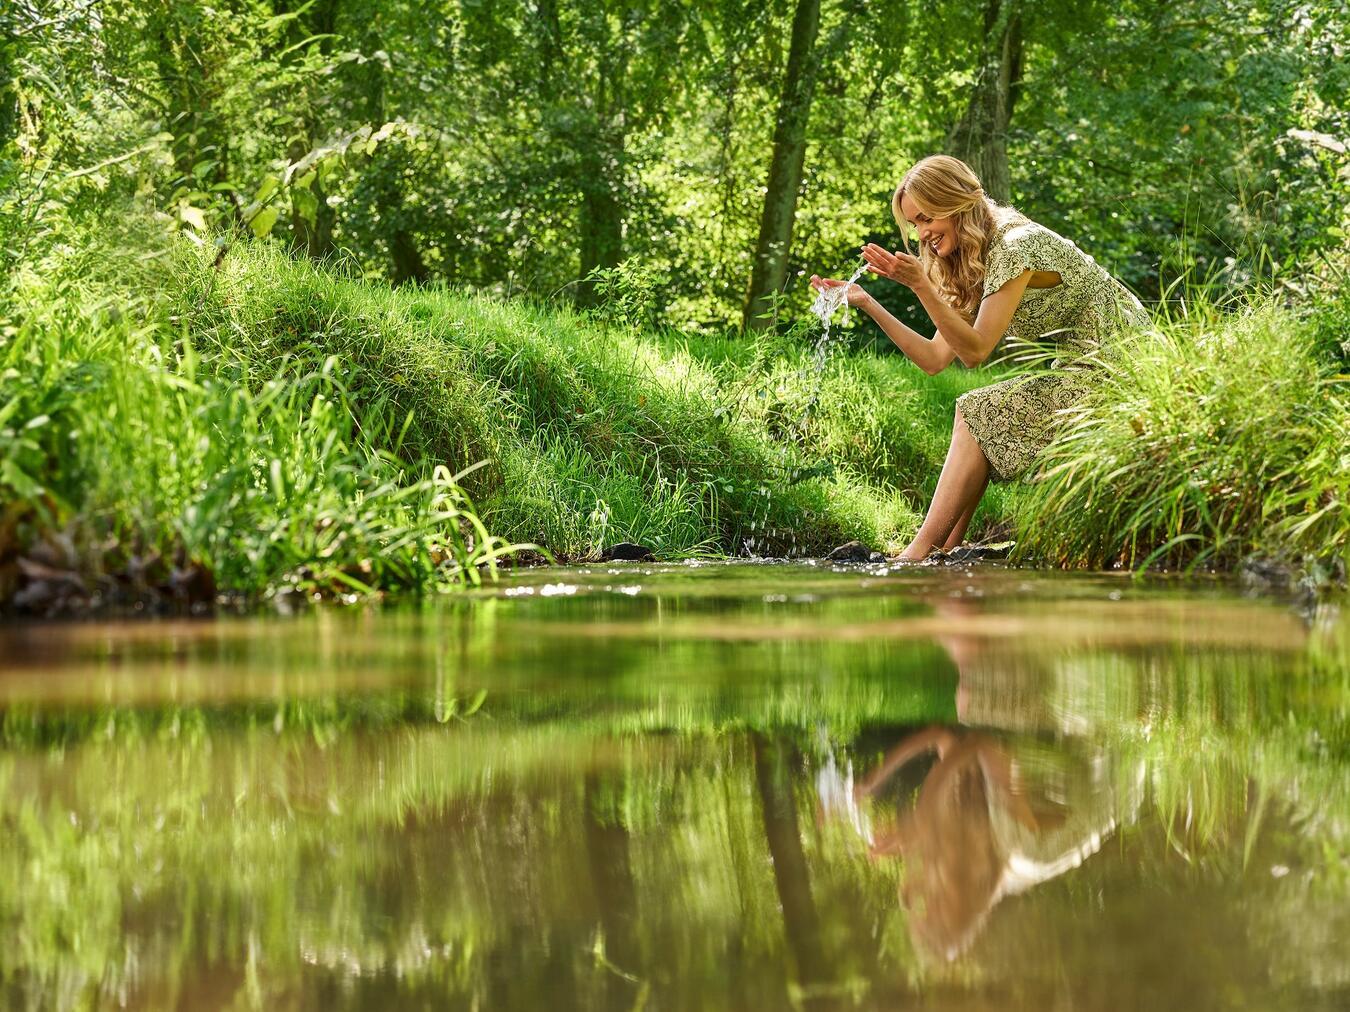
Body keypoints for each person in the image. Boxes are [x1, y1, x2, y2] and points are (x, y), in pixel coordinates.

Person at [810, 154, 1149, 562]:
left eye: (927, 218)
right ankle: (943, 551)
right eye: (914, 224)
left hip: (1125, 369)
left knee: (977, 410)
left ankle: (919, 553)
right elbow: (936, 358)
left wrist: (921, 286)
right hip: (1083, 369)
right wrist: (867, 303)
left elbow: (975, 351)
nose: (922, 234)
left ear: (955, 203)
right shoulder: (971, 258)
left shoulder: (1016, 246)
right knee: (975, 411)